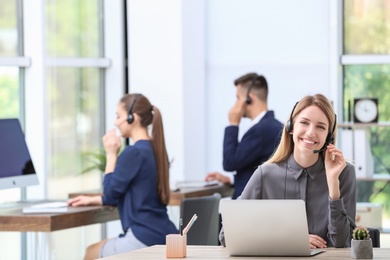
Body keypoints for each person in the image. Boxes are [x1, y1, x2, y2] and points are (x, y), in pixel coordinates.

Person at [219, 93, 356, 248]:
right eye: (304, 123)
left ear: (329, 137)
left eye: (320, 127)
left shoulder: (344, 173)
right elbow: (227, 235)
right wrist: (290, 240)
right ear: (291, 128)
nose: (311, 132)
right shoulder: (265, 174)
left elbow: (342, 243)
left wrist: (333, 184)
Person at [68, 93, 178, 259]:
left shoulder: (133, 153)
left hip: (144, 237)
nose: (115, 122)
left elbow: (111, 193)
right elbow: (124, 193)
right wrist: (94, 199)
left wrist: (111, 155)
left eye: (118, 116)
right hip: (165, 234)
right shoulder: (156, 150)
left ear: (132, 118)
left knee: (90, 253)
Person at [205, 72, 283, 199]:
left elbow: (229, 163)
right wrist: (231, 179)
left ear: (249, 99)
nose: (235, 103)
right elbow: (259, 173)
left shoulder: (260, 130)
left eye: (237, 98)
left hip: (249, 208)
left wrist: (233, 124)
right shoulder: (275, 125)